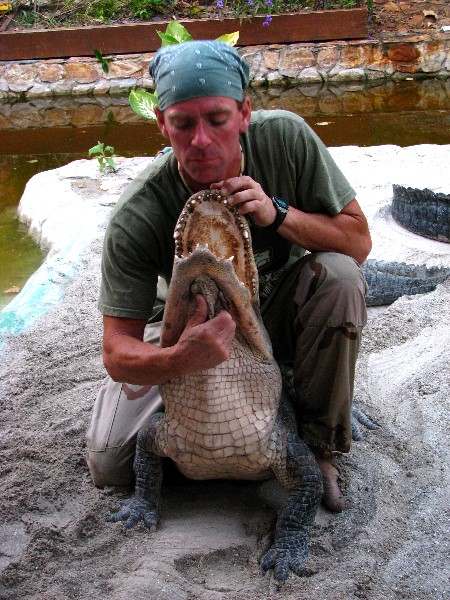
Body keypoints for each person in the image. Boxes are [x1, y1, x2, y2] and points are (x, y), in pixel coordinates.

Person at [85, 40, 372, 512]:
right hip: (186, 324)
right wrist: (180, 357)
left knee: (340, 277)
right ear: (162, 123)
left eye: (217, 120)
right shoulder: (138, 211)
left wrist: (279, 215)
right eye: (182, 123)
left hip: (278, 310)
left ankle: (321, 444)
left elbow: (358, 243)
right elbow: (117, 351)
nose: (200, 140)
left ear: (243, 113)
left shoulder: (286, 139)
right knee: (110, 464)